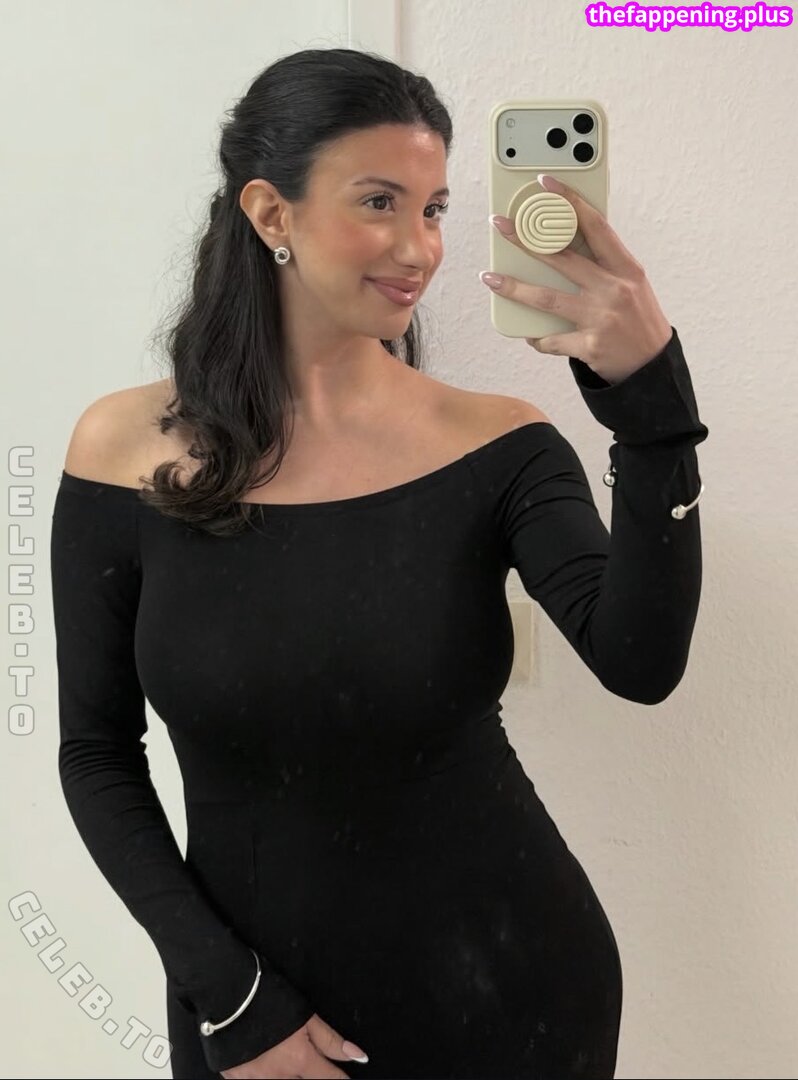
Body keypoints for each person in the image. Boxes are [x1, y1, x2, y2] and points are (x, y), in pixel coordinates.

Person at [50, 47, 708, 1080]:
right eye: (379, 203)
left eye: (434, 208)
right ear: (271, 212)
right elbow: (96, 753)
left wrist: (653, 409)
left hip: (517, 997)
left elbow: (642, 660)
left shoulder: (499, 447)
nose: (421, 247)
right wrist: (231, 997)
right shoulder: (123, 451)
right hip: (252, 1017)